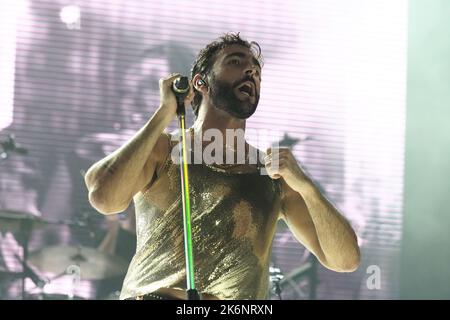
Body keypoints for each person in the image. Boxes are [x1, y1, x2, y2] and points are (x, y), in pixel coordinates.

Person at [84, 33, 361, 300]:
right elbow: (103, 197)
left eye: (256, 70)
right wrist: (164, 113)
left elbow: (346, 260)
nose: (251, 72)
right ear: (200, 82)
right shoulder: (164, 149)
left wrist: (307, 189)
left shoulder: (272, 173)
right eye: (236, 62)